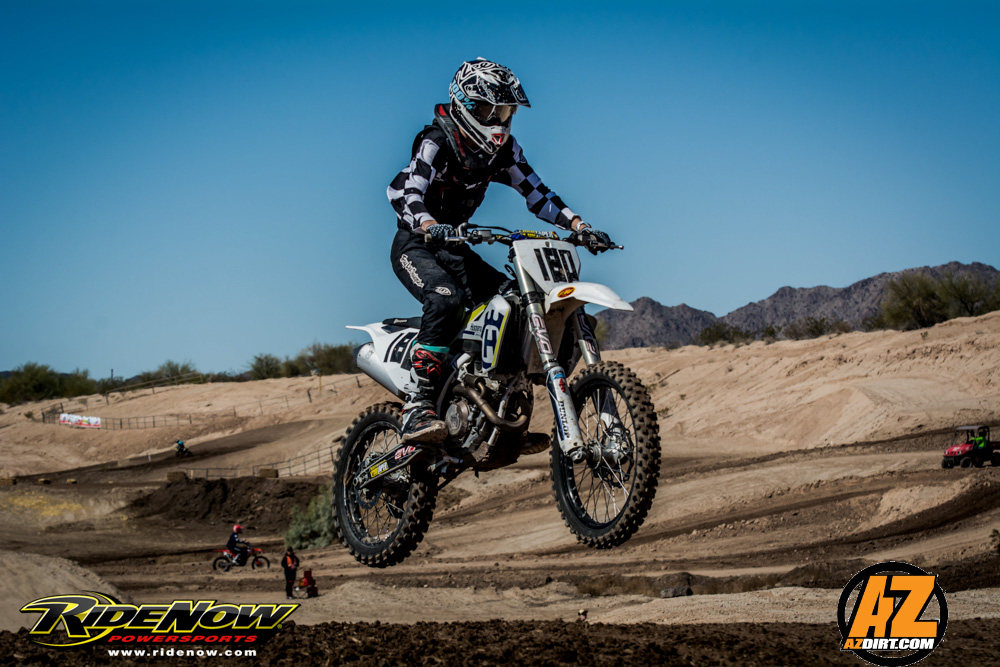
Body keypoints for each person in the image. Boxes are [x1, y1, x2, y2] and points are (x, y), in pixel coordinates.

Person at [388, 58, 613, 443]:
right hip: (416, 244)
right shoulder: (437, 141)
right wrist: (428, 225)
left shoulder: (503, 151)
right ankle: (417, 406)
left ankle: (500, 407)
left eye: (505, 111)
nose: (497, 121)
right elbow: (406, 192)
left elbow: (537, 193)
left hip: (457, 249)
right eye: (488, 110)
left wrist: (580, 226)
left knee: (516, 304)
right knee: (445, 299)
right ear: (464, 105)